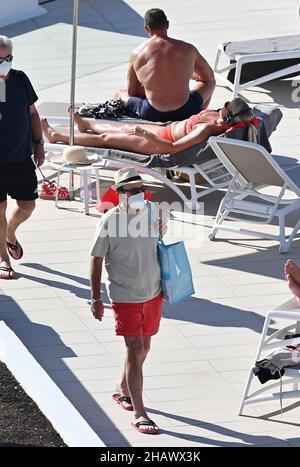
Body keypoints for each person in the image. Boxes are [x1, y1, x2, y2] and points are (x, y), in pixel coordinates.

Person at [90, 167, 166, 434]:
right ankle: (140, 412)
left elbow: (157, 245)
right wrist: (96, 298)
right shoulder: (109, 220)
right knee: (135, 352)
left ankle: (123, 388)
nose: (137, 194)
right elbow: (96, 258)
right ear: (119, 193)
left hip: (153, 292)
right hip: (125, 295)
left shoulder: (152, 211)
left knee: (144, 348)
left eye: (140, 190)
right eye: (131, 190)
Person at [42, 97, 256, 156]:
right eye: (224, 114)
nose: (221, 120)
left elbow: (172, 149)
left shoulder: (207, 129)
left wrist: (144, 132)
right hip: (165, 129)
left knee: (107, 140)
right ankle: (85, 124)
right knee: (114, 129)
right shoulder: (215, 114)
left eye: (227, 121)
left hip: (161, 143)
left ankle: (57, 137)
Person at [114, 8, 216, 122]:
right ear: (167, 25)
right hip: (185, 109)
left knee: (120, 93)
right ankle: (197, 117)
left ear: (147, 28)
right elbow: (209, 76)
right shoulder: (188, 49)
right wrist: (186, 74)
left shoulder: (137, 54)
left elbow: (132, 92)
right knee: (210, 82)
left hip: (151, 112)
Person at [0, 36, 44, 280]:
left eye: (8, 58)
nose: (4, 63)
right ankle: (3, 259)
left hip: (19, 157)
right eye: (0, 59)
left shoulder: (20, 79)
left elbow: (33, 113)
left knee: (27, 205)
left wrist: (39, 144)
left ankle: (9, 234)